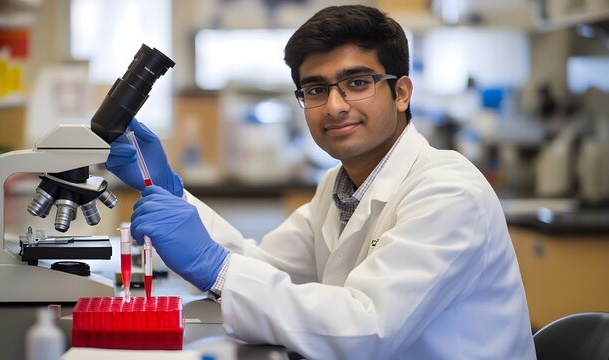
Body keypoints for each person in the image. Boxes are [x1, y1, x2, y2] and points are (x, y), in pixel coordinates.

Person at [106, 5, 536, 359]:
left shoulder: (448, 192)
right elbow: (259, 267)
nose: (334, 106)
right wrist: (167, 191)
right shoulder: (339, 185)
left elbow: (366, 328)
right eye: (315, 90)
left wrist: (215, 267)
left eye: (357, 83)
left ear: (401, 92)